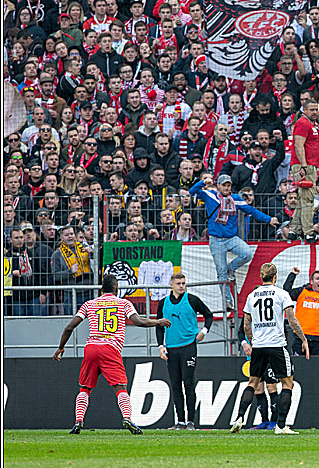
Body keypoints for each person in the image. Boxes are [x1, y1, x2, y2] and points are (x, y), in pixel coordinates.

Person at [52, 274, 171, 434]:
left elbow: (69, 327)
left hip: (91, 348)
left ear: (101, 289)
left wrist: (61, 347)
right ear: (116, 289)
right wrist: (158, 321)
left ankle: (78, 421)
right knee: (120, 387)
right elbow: (138, 322)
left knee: (84, 388)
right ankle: (127, 418)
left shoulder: (89, 304)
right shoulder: (123, 303)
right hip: (110, 348)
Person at [230, 263, 309, 434]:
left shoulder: (252, 296)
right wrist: (303, 339)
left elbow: (246, 325)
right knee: (287, 384)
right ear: (275, 277)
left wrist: (252, 341)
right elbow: (292, 319)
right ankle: (280, 425)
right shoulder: (281, 294)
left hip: (258, 346)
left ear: (261, 276)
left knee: (252, 382)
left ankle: (239, 417)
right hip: (276, 345)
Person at [190, 174, 279, 313]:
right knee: (221, 273)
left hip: (232, 238)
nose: (226, 187)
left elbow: (251, 211)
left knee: (247, 254)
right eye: (223, 185)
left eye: (228, 185)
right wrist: (203, 182)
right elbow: (191, 192)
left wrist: (269, 220)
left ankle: (232, 268)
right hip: (216, 240)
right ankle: (227, 301)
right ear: (218, 186)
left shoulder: (236, 199)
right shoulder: (210, 196)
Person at [155, 272, 214, 430]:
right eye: (178, 283)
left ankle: (191, 421)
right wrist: (161, 346)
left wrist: (204, 331)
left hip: (188, 346)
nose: (181, 286)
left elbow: (209, 315)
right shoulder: (163, 303)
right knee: (175, 384)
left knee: (188, 383)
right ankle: (180, 421)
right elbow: (159, 326)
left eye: (183, 283)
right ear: (171, 285)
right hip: (172, 348)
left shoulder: (192, 300)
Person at [291, 100, 319, 242]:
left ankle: (294, 230)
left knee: (302, 199)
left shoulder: (312, 123)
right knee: (308, 199)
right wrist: (303, 165)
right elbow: (298, 145)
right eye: (312, 110)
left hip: (309, 164)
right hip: (304, 165)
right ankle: (309, 232)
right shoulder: (303, 123)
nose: (315, 112)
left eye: (316, 109)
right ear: (304, 110)